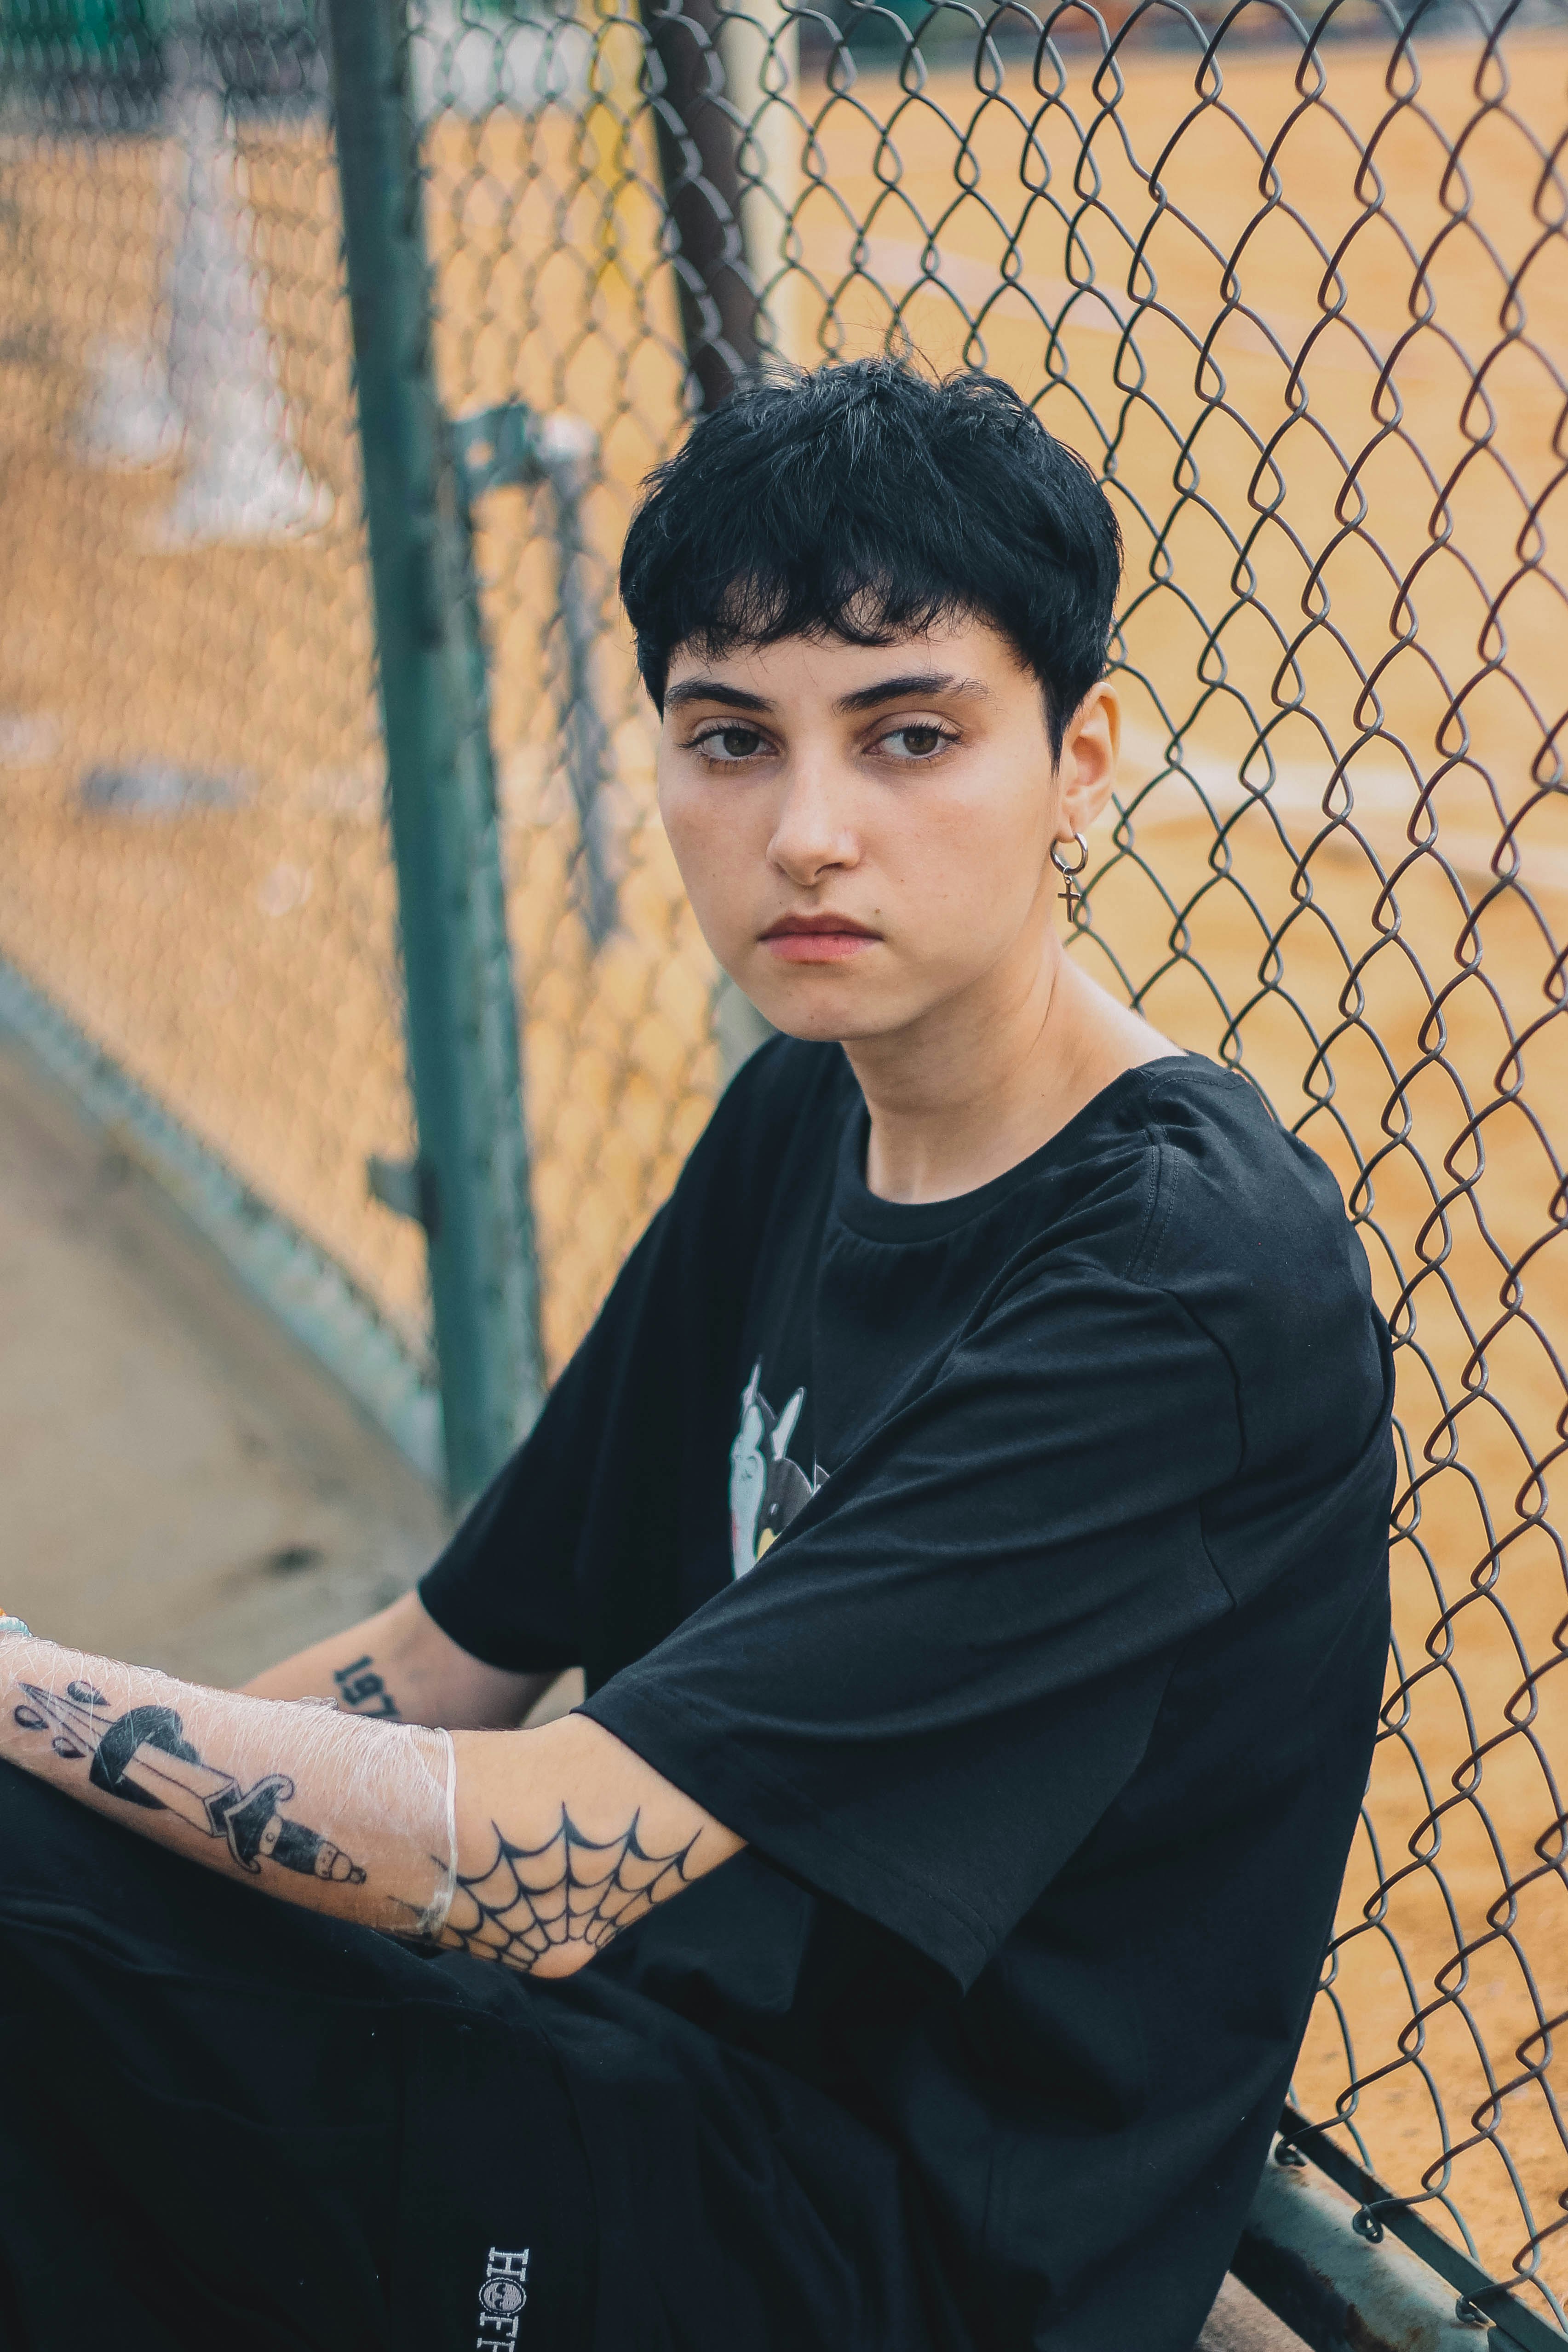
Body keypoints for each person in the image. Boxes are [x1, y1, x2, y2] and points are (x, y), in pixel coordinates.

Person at [0, 359, 1393, 2352]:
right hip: (633, 2092)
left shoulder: (1177, 1283)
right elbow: (438, 1664)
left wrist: (31, 1702)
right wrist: (79, 1784)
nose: (807, 831)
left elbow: (547, 1866)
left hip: (880, 2262)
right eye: (731, 740)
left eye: (909, 736)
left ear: (1083, 760)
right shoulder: (807, 1107)